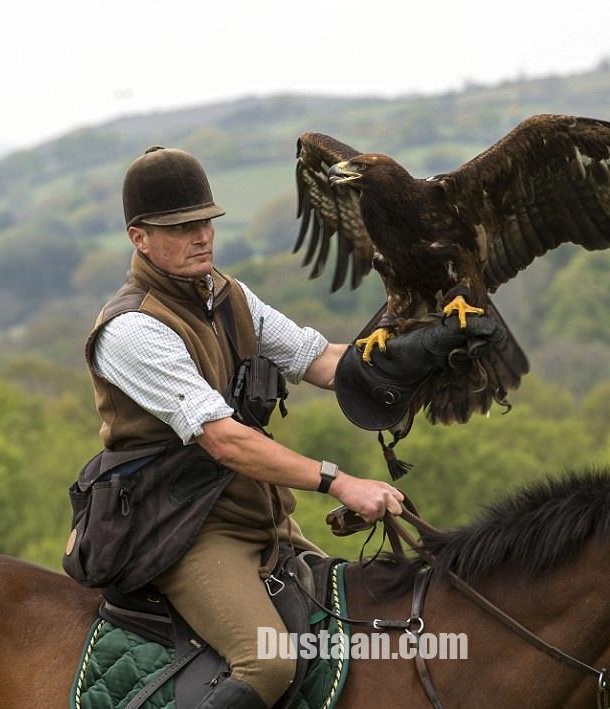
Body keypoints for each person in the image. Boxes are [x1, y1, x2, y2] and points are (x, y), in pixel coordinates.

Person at [85, 146, 405, 709]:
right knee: (269, 662)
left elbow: (320, 361)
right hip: (179, 530)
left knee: (356, 629)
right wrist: (340, 481)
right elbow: (223, 438)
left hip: (257, 514)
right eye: (181, 227)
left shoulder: (228, 295)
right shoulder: (131, 328)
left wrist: (413, 356)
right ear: (139, 238)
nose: (201, 236)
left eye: (205, 221)